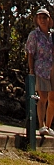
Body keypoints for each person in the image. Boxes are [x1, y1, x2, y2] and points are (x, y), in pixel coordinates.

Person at [25, 8, 54, 137]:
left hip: (52, 69)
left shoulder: (52, 35)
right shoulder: (34, 35)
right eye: (40, 17)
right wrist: (31, 69)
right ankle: (41, 125)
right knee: (43, 97)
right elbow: (30, 53)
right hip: (40, 69)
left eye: (45, 17)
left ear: (49, 19)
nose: (42, 20)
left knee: (52, 99)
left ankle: (48, 126)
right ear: (36, 20)